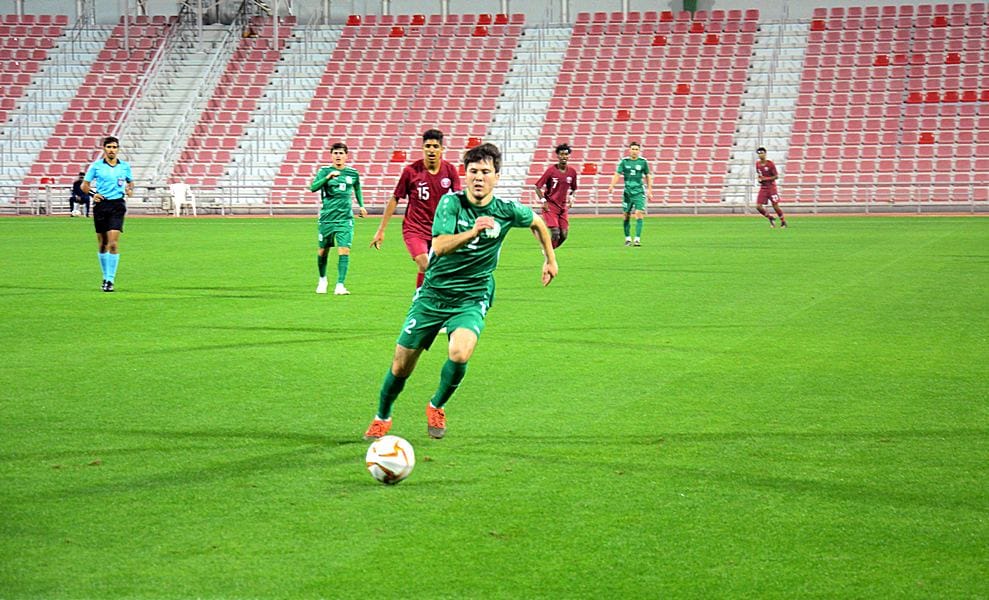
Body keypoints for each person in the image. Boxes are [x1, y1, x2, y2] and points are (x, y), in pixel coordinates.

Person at [363, 143, 559, 441]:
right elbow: (439, 246)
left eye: (485, 172)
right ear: (464, 175)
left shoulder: (506, 209)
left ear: (497, 176)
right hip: (434, 293)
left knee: (460, 351)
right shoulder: (451, 204)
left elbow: (537, 222)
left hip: (473, 294)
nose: (479, 177)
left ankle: (436, 405)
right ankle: (382, 416)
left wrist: (550, 259)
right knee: (401, 365)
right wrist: (474, 231)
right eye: (473, 171)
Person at [371, 129, 460, 289]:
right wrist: (381, 229)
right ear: (422, 148)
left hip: (440, 230)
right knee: (425, 264)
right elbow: (395, 198)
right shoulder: (411, 171)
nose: (431, 150)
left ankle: (421, 299)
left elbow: (459, 200)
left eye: (435, 146)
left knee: (431, 268)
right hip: (415, 229)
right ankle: (425, 299)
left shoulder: (450, 170)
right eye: (428, 146)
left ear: (442, 149)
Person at [310, 142, 367, 295]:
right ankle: (322, 279)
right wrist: (328, 178)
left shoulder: (353, 173)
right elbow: (313, 187)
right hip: (327, 218)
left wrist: (361, 205)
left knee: (344, 250)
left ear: (346, 156)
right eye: (335, 153)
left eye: (341, 153)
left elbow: (357, 188)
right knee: (323, 251)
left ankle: (340, 285)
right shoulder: (324, 171)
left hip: (345, 219)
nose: (338, 156)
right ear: (331, 155)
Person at [82, 136, 133, 292]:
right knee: (103, 244)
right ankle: (105, 277)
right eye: (109, 147)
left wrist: (130, 189)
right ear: (104, 148)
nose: (112, 150)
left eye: (114, 147)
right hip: (101, 205)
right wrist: (93, 194)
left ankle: (110, 280)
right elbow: (85, 185)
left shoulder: (124, 166)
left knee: (113, 243)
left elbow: (130, 182)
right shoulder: (96, 166)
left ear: (118, 149)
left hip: (117, 205)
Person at [607, 141, 652, 247]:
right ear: (629, 150)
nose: (634, 151)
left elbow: (648, 176)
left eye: (636, 149)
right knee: (626, 215)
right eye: (633, 149)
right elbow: (617, 174)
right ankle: (627, 238)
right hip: (627, 192)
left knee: (639, 213)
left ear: (639, 151)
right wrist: (611, 186)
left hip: (639, 192)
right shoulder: (624, 162)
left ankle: (637, 239)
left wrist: (650, 190)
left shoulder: (643, 162)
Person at [534, 143, 578, 248]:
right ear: (557, 156)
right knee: (555, 232)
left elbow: (573, 188)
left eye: (566, 154)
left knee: (564, 235)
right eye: (561, 154)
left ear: (569, 156)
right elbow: (537, 187)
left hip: (562, 207)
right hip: (550, 206)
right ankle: (549, 254)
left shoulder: (572, 172)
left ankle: (548, 250)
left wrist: (572, 197)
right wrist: (543, 201)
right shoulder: (551, 171)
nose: (564, 157)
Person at [755, 147, 787, 228]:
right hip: (763, 188)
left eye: (762, 153)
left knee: (775, 206)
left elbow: (776, 176)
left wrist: (766, 178)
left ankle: (783, 221)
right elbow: (759, 174)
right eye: (759, 153)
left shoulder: (770, 164)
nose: (760, 155)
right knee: (758, 206)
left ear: (765, 153)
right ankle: (770, 218)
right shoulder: (757, 164)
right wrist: (759, 179)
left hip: (771, 187)